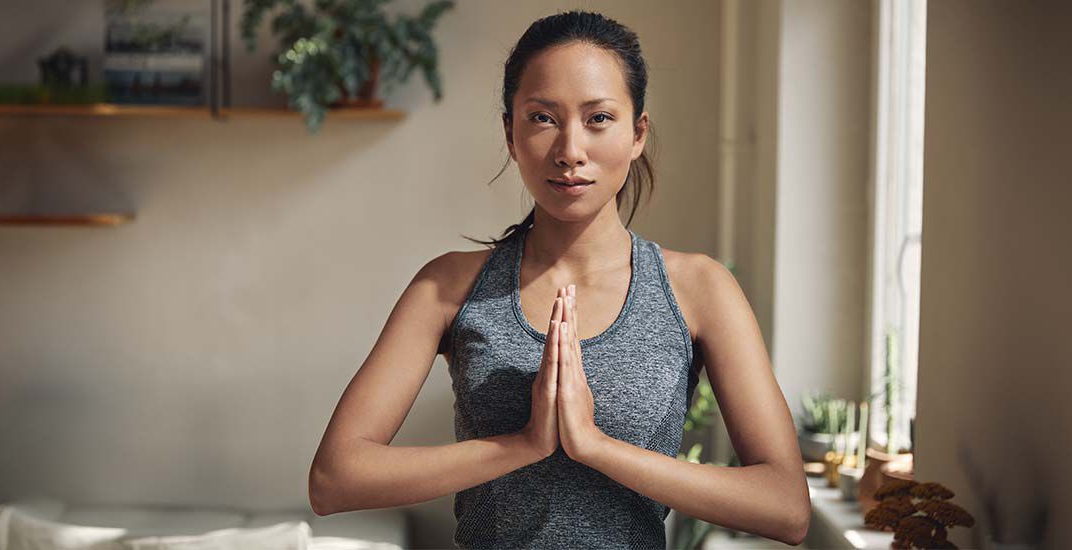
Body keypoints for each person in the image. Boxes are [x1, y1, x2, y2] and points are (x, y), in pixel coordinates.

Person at [308, 10, 810, 549]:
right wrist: (522, 445)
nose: (571, 150)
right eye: (543, 118)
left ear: (638, 132)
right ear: (510, 132)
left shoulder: (701, 290)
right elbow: (334, 479)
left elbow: (785, 508)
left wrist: (593, 445)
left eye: (599, 119)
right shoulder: (446, 286)